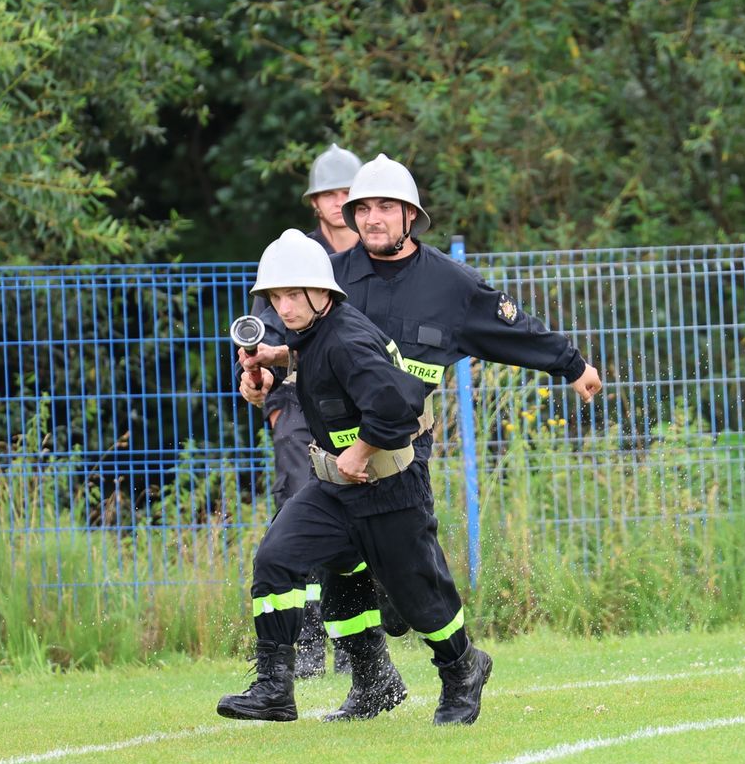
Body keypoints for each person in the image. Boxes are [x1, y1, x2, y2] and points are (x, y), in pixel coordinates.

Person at [219, 229, 493, 725]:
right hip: (333, 490)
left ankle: (463, 668)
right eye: (275, 297)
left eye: (292, 295)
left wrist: (360, 451)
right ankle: (283, 688)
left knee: (420, 602)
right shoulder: (316, 333)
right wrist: (270, 368)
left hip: (390, 491)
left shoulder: (348, 339)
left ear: (321, 292)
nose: (282, 307)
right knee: (280, 559)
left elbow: (400, 406)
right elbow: (316, 364)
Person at [330, 153, 602, 635]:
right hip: (332, 445)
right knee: (335, 558)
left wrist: (572, 364)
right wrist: (261, 372)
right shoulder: (329, 278)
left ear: (410, 216)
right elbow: (283, 333)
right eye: (364, 208)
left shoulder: (450, 284)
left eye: (386, 207)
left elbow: (514, 329)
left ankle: (455, 657)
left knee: (405, 570)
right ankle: (367, 673)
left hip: (402, 447)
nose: (373, 218)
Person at [252, 143, 362, 676]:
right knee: (301, 508)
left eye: (348, 192)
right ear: (315, 202)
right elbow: (262, 340)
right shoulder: (290, 254)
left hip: (361, 408)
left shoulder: (374, 259)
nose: (339, 202)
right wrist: (272, 402)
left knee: (369, 519)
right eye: (329, 194)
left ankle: (361, 644)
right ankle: (309, 643)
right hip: (299, 404)